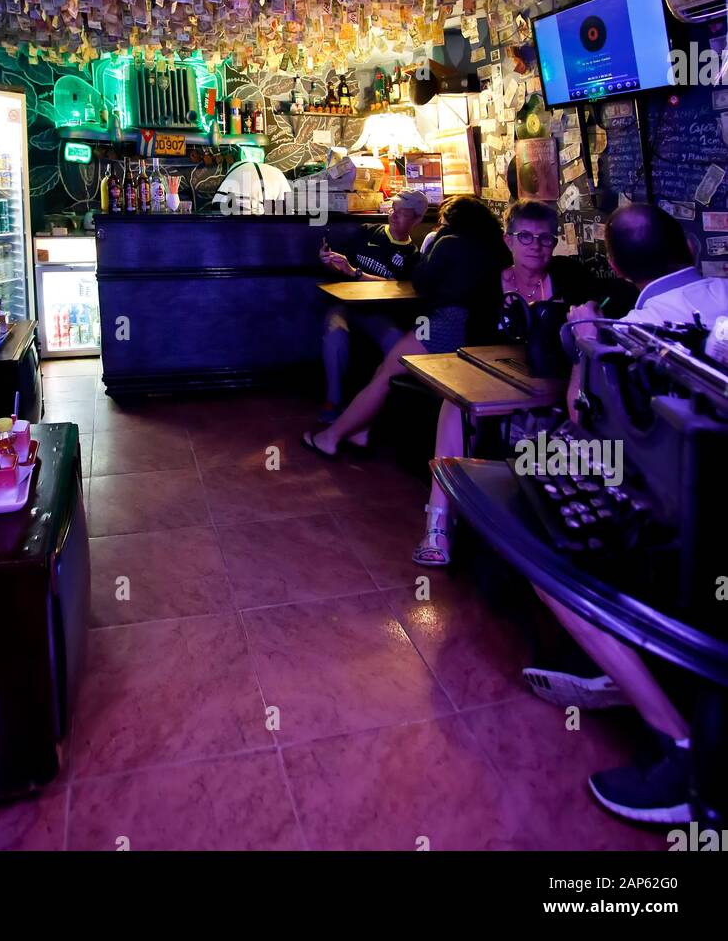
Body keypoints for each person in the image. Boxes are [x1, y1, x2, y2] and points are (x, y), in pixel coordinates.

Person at [524, 204, 728, 822]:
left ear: (612, 264)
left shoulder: (639, 326)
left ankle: (681, 748)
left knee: (542, 543)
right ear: (691, 244)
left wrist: (587, 341)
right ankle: (630, 666)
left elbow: (594, 420)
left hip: (696, 515)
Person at [412, 199, 599, 566]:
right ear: (508, 240)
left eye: (545, 239)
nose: (536, 246)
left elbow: (593, 324)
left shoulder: (571, 278)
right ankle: (437, 522)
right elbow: (478, 350)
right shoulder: (488, 286)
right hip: (502, 385)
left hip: (560, 387)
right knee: (456, 403)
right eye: (525, 236)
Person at [302, 195, 508, 458]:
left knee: (388, 372)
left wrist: (432, 245)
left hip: (447, 324)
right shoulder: (497, 247)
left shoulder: (447, 241)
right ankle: (361, 431)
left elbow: (421, 281)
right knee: (386, 367)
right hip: (482, 332)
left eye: (442, 220)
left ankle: (331, 437)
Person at [319, 190, 428, 420]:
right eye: (393, 209)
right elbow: (341, 267)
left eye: (403, 213)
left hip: (377, 313)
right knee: (334, 333)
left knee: (396, 342)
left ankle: (380, 408)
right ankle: (333, 401)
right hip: (346, 306)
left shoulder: (413, 256)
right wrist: (330, 261)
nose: (394, 215)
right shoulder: (367, 231)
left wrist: (354, 272)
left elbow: (396, 287)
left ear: (417, 220)